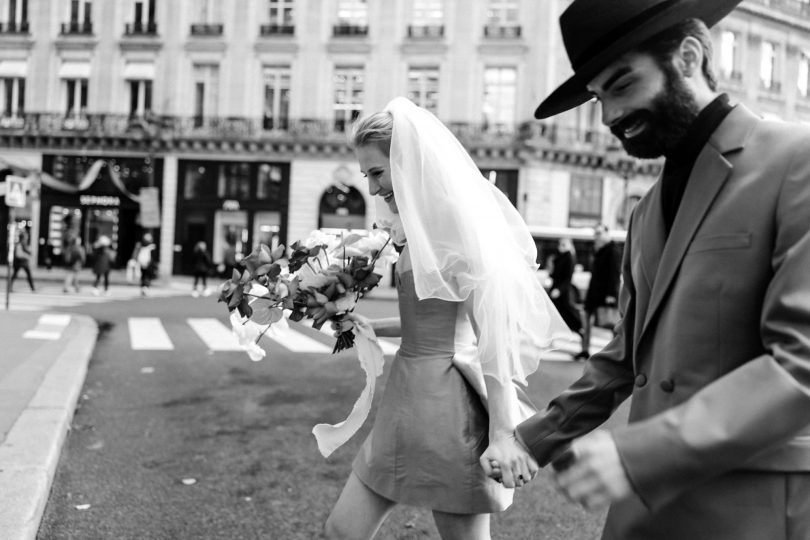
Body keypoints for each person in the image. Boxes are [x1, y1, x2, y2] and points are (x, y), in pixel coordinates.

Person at [480, 1, 810, 539]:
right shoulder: (645, 209)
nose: (609, 116)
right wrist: (531, 438)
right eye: (599, 97)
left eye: (623, 85)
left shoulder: (799, 159)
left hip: (755, 510)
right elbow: (626, 353)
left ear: (689, 56)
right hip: (646, 511)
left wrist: (643, 454)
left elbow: (802, 364)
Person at [323, 97, 569, 540]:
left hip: (448, 407)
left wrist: (502, 433)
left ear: (406, 162)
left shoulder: (458, 229)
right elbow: (430, 315)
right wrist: (371, 327)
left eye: (377, 173)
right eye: (366, 176)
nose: (373, 188)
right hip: (403, 397)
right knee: (343, 530)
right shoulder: (409, 229)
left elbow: (490, 335)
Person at [574, 224, 621, 360]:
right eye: (595, 234)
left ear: (607, 233)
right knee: (587, 321)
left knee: (611, 324)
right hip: (594, 294)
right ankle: (584, 349)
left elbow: (614, 274)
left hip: (605, 295)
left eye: (599, 233)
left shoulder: (613, 250)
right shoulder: (599, 250)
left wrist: (611, 295)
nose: (597, 237)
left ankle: (616, 352)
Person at [547, 237, 583, 343]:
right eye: (560, 244)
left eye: (564, 244)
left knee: (567, 313)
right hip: (555, 289)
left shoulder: (569, 257)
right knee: (552, 315)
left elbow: (568, 278)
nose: (561, 247)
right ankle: (550, 340)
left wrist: (559, 290)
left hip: (563, 292)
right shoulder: (559, 257)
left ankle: (580, 329)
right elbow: (554, 274)